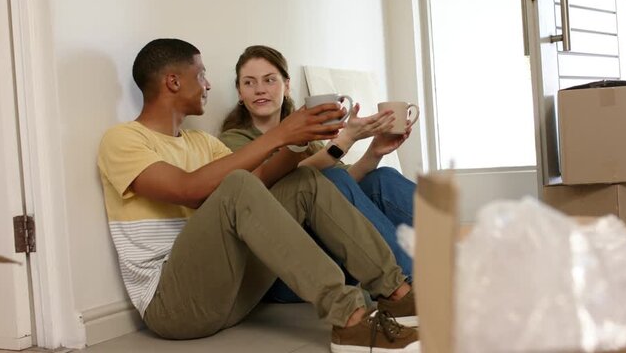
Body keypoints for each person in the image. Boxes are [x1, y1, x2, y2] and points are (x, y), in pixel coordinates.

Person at [97, 38, 419, 353]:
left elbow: (259, 182)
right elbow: (188, 190)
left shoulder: (201, 142)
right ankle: (351, 318)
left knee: (304, 180)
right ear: (173, 81)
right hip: (172, 306)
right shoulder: (123, 139)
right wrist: (280, 134)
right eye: (201, 75)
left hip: (231, 293)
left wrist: (299, 140)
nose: (208, 85)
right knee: (236, 184)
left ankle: (396, 291)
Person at [219, 45, 416, 303]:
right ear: (239, 92)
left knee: (383, 178)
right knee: (330, 180)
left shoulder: (306, 137)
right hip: (282, 269)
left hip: (332, 246)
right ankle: (410, 289)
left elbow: (346, 185)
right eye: (249, 82)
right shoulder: (233, 141)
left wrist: (375, 152)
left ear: (287, 85)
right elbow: (285, 186)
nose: (260, 89)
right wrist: (344, 141)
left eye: (269, 80)